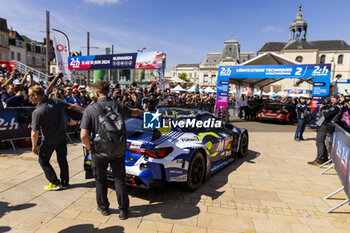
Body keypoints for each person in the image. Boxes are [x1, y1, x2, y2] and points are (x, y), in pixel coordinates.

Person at [80, 80, 142, 219]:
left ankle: (104, 208)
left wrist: (90, 148)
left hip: (98, 150)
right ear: (108, 91)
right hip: (118, 149)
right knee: (119, 179)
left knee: (100, 180)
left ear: (96, 93)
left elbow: (83, 135)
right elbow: (135, 112)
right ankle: (123, 211)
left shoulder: (90, 109)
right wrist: (146, 114)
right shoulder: (118, 105)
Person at [29, 85, 84, 190]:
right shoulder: (56, 101)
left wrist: (34, 146)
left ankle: (54, 182)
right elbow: (71, 106)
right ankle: (65, 182)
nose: (29, 97)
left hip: (49, 140)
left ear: (36, 95)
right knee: (62, 159)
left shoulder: (38, 112)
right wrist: (86, 111)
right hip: (62, 137)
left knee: (43, 160)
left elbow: (34, 132)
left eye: (30, 95)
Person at [308, 94, 343, 166]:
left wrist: (324, 111)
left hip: (325, 125)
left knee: (319, 142)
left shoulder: (336, 107)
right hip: (325, 125)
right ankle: (324, 159)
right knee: (321, 142)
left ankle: (319, 160)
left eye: (334, 98)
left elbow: (327, 116)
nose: (332, 99)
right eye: (332, 98)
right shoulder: (335, 106)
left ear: (337, 99)